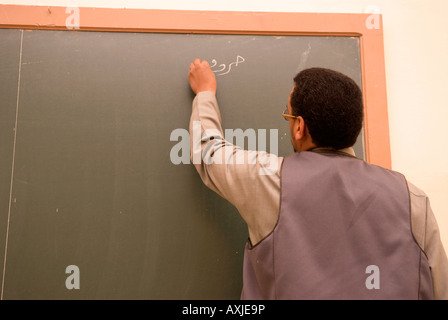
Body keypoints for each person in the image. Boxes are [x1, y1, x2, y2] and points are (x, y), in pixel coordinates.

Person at [187, 58, 448, 299]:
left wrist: (205, 94)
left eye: (287, 114)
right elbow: (440, 288)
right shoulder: (412, 197)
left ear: (299, 127)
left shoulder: (271, 181)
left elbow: (209, 152)